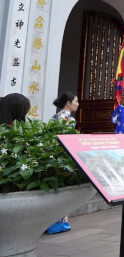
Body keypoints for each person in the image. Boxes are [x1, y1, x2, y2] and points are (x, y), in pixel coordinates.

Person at [47, 91, 79, 235]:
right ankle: (60, 223)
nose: (78, 104)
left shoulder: (55, 117)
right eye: (76, 101)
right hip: (64, 157)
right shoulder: (69, 120)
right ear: (68, 103)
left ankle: (54, 221)